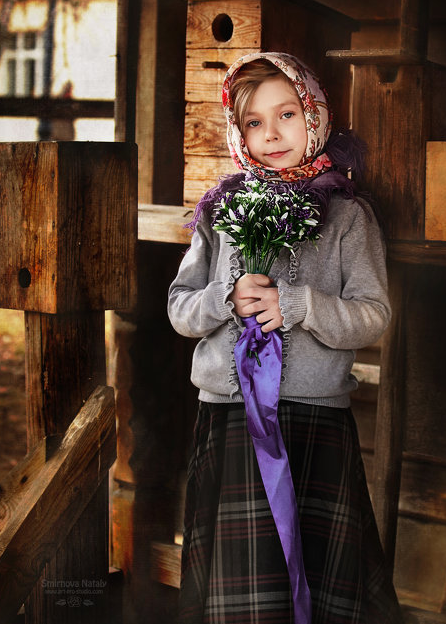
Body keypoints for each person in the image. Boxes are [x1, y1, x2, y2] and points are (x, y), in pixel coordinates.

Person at [168, 52, 403, 624]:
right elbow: (180, 308)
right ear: (238, 129)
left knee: (320, 588)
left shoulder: (348, 216)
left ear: (314, 114)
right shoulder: (220, 212)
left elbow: (374, 315)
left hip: (313, 424)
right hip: (229, 420)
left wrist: (300, 305)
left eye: (287, 114)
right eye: (253, 121)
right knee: (240, 595)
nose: (271, 134)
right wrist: (225, 298)